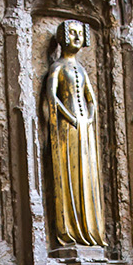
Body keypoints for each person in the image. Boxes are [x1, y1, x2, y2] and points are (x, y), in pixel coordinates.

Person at [41, 20, 108, 249]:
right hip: (67, 129)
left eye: (80, 34)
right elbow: (51, 97)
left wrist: (89, 118)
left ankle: (90, 231)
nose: (77, 38)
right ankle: (69, 230)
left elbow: (92, 100)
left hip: (85, 130)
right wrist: (69, 117)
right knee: (69, 173)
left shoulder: (81, 69)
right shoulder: (58, 67)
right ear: (63, 37)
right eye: (73, 33)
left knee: (87, 175)